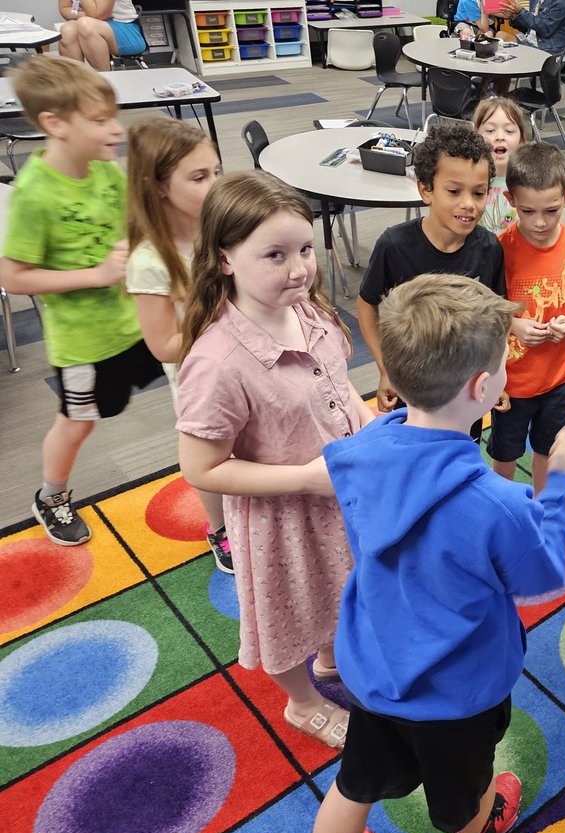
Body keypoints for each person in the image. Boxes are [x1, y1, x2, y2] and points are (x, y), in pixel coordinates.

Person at [299, 274, 565, 833]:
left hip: (372, 670)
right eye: (504, 362)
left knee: (354, 785)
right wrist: (557, 485)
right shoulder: (498, 502)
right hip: (457, 694)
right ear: (482, 389)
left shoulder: (360, 449)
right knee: (464, 790)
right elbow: (543, 575)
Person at [175, 172, 376, 750]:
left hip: (337, 496)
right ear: (224, 259)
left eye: (306, 249)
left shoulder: (306, 308)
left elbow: (338, 389)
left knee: (341, 587)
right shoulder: (217, 360)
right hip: (281, 520)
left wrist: (367, 427)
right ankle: (302, 702)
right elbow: (202, 468)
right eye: (275, 255)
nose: (299, 268)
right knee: (289, 615)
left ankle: (333, 657)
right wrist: (307, 480)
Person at [0, 57, 162, 547]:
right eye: (99, 121)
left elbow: (133, 225)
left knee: (193, 380)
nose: (115, 130)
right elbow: (11, 274)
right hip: (85, 345)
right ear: (55, 124)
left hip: (136, 321)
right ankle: (51, 497)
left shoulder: (104, 172)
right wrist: (94, 273)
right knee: (77, 425)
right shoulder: (34, 194)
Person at [125, 118, 229, 572]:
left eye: (217, 172)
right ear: (159, 186)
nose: (214, 185)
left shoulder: (220, 230)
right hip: (199, 381)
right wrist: (221, 327)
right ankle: (219, 528)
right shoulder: (149, 261)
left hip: (247, 364)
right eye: (199, 177)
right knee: (211, 455)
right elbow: (163, 345)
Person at [356, 123, 506, 414]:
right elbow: (366, 307)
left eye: (478, 193)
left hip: (465, 389)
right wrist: (385, 369)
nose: (468, 204)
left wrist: (496, 374)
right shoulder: (394, 245)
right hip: (410, 387)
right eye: (453, 191)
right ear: (426, 189)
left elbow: (497, 319)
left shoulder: (490, 249)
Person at [492, 142, 565, 493]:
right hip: (512, 381)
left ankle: (539, 510)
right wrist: (514, 324)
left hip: (561, 377)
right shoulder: (500, 248)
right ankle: (502, 512)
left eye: (551, 211)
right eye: (527, 211)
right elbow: (487, 307)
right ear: (510, 200)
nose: (540, 222)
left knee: (548, 452)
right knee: (505, 454)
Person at [473, 95, 527, 235]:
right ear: (476, 137)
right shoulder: (470, 180)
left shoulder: (529, 182)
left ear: (521, 139)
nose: (500, 137)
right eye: (490, 130)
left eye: (509, 131)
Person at [57, 0, 147, 71]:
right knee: (67, 31)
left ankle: (102, 85)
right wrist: (83, 14)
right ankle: (78, 87)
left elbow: (97, 14)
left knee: (86, 24)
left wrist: (87, 16)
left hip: (126, 31)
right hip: (88, 24)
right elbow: (64, 9)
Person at [495, 0, 565, 56]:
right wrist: (513, 17)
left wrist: (521, 11)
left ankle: (492, 78)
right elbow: (531, 27)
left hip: (550, 51)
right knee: (500, 36)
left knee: (503, 57)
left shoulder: (563, 1)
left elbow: (545, 30)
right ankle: (493, 78)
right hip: (533, 41)